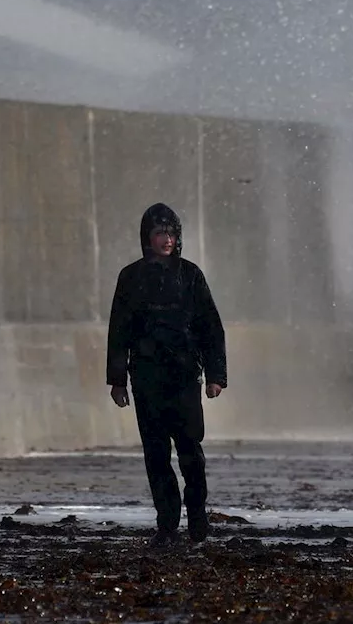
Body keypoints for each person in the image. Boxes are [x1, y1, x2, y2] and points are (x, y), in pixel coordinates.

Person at [106, 203, 227, 548]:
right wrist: (118, 381)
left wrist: (216, 375)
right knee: (156, 456)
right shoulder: (130, 278)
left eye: (171, 233)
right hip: (146, 380)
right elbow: (119, 331)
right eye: (160, 233)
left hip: (186, 377)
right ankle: (167, 525)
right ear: (147, 237)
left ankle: (198, 519)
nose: (167, 239)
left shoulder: (191, 276)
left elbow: (210, 328)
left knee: (191, 452)